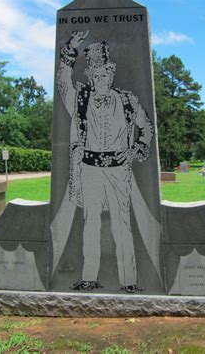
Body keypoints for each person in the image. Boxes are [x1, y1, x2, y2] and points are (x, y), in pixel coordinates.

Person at [56, 31, 154, 293]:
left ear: (112, 74)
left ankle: (129, 281)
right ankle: (89, 277)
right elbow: (63, 83)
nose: (101, 79)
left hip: (119, 170)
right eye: (96, 75)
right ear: (90, 76)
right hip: (89, 169)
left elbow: (147, 129)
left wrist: (135, 150)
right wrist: (69, 51)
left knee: (122, 224)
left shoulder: (128, 100)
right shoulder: (80, 99)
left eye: (106, 74)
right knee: (91, 224)